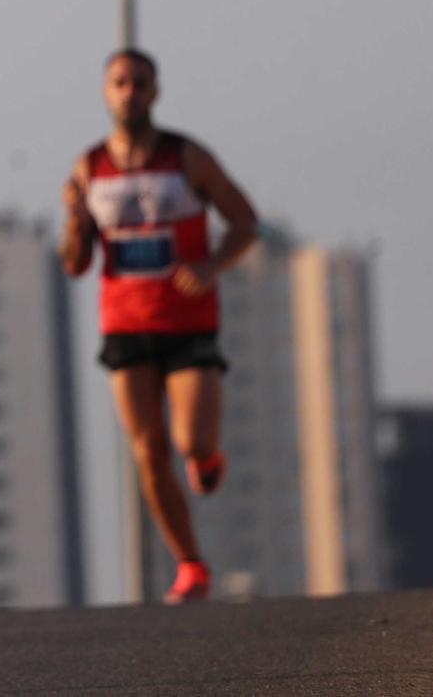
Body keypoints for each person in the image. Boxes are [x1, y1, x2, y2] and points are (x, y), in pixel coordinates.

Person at [62, 47, 258, 604]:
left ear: (156, 91)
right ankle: (191, 564)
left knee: (189, 440)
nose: (130, 92)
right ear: (106, 92)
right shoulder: (89, 168)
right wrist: (75, 221)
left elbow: (245, 221)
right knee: (148, 451)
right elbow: (75, 264)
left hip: (189, 320)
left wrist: (212, 265)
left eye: (140, 82)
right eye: (120, 82)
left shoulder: (187, 158)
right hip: (124, 324)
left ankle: (206, 457)